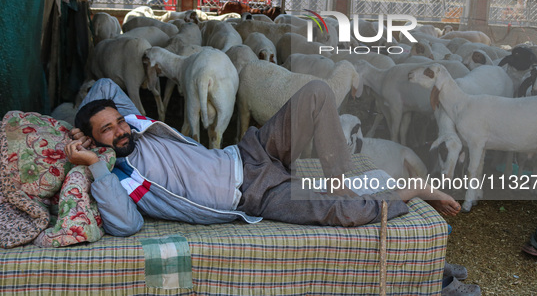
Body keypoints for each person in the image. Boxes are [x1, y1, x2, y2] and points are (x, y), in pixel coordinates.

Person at [65, 78, 461, 237]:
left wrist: (82, 123)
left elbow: (104, 85)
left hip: (249, 151)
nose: (120, 130)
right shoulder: (121, 178)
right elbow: (128, 226)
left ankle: (339, 184)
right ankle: (411, 190)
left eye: (117, 122)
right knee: (348, 215)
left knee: (318, 91)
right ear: (100, 144)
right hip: (252, 194)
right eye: (108, 130)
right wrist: (94, 164)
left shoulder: (134, 125)